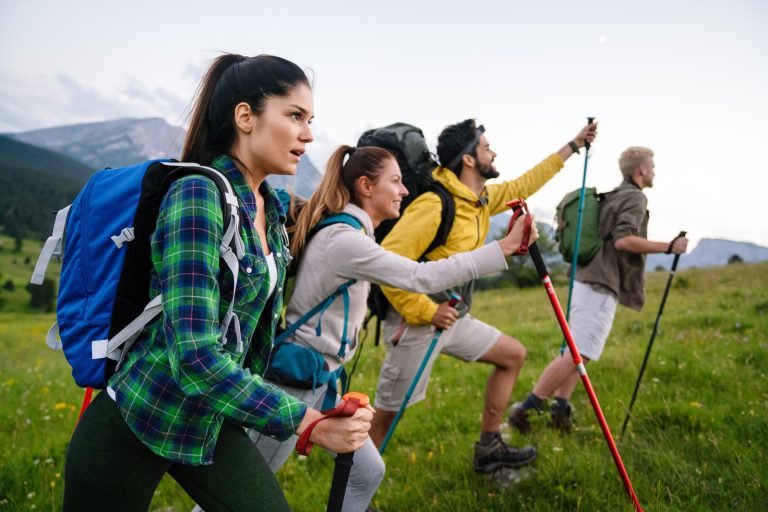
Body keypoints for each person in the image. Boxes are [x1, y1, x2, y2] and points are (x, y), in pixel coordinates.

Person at [63, 54, 373, 512]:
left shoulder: (269, 207)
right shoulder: (198, 195)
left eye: (310, 120)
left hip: (208, 417)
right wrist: (308, 422)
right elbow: (194, 357)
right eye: (294, 116)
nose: (308, 134)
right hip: (138, 418)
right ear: (245, 116)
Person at [249, 144, 539, 511]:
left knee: (367, 471)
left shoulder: (354, 234)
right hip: (295, 382)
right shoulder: (344, 240)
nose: (404, 190)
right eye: (396, 181)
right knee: (244, 494)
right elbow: (420, 276)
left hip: (318, 381)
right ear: (366, 186)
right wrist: (503, 248)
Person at [368, 118, 598, 473]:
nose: (494, 151)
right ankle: (349, 497)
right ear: (469, 159)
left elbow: (526, 183)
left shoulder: (480, 200)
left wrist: (574, 144)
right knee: (385, 417)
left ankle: (489, 447)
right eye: (486, 146)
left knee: (512, 356)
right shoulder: (434, 205)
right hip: (414, 323)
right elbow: (386, 266)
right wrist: (427, 311)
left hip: (454, 318)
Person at [509, 146, 689, 433]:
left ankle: (560, 409)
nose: (653, 171)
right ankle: (527, 409)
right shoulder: (635, 198)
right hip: (601, 281)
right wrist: (668, 247)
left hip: (586, 277)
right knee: (579, 353)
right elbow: (623, 241)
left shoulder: (614, 195)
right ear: (641, 169)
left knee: (578, 349)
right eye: (651, 166)